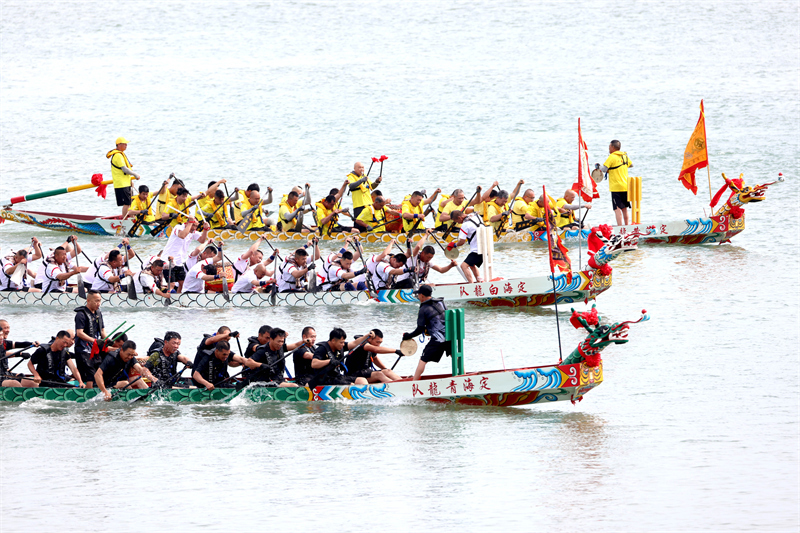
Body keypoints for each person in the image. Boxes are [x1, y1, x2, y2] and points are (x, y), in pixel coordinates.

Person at [404, 285, 449, 380]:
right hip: (450, 335)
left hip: (438, 339)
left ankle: (414, 382)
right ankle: (464, 375)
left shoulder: (423, 309)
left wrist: (408, 336)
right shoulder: (441, 302)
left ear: (422, 295)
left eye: (418, 295)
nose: (418, 297)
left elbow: (420, 329)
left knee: (423, 359)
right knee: (455, 355)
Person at [161, 219, 210, 291]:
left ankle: (178, 299)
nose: (194, 228)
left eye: (196, 226)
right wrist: (190, 223)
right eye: (193, 225)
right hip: (168, 260)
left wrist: (205, 229)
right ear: (187, 223)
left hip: (179, 262)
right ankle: (168, 299)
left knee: (183, 284)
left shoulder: (193, 232)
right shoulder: (178, 227)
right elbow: (182, 235)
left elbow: (202, 240)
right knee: (171, 284)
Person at [74, 290, 106, 387]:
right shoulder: (81, 314)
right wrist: (95, 341)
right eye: (96, 301)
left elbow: (102, 331)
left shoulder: (98, 313)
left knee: (98, 372)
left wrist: (107, 341)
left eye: (100, 301)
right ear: (88, 300)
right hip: (83, 349)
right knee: (90, 374)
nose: (98, 304)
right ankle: (87, 395)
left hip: (95, 348)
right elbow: (79, 333)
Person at [599, 139, 633, 225]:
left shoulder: (612, 156)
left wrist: (598, 167)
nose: (609, 148)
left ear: (613, 147)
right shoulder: (624, 156)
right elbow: (631, 165)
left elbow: (604, 169)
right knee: (624, 208)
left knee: (617, 208)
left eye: (609, 146)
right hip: (625, 185)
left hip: (616, 186)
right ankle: (626, 226)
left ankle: (620, 227)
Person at [106, 137, 141, 218]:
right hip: (121, 184)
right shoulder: (118, 155)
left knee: (131, 202)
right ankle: (125, 220)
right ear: (118, 145)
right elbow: (124, 169)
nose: (126, 145)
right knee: (127, 203)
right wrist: (135, 174)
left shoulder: (120, 154)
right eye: (124, 144)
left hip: (125, 183)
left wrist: (130, 181)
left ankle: (132, 218)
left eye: (126, 144)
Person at [445, 210, 482, 283]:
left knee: (464, 266)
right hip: (486, 247)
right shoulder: (476, 216)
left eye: (456, 221)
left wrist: (454, 245)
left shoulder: (465, 225)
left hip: (477, 250)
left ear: (459, 217)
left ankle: (471, 285)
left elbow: (462, 241)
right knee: (471, 264)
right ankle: (479, 282)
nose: (457, 223)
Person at [1, 321, 39, 387]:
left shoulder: (4, 343)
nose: (1, 337)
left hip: (5, 374)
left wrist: (31, 344)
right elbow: (4, 354)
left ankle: (35, 397)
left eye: (1, 335)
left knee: (32, 382)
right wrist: (20, 354)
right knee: (15, 384)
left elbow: (20, 344)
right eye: (5, 328)